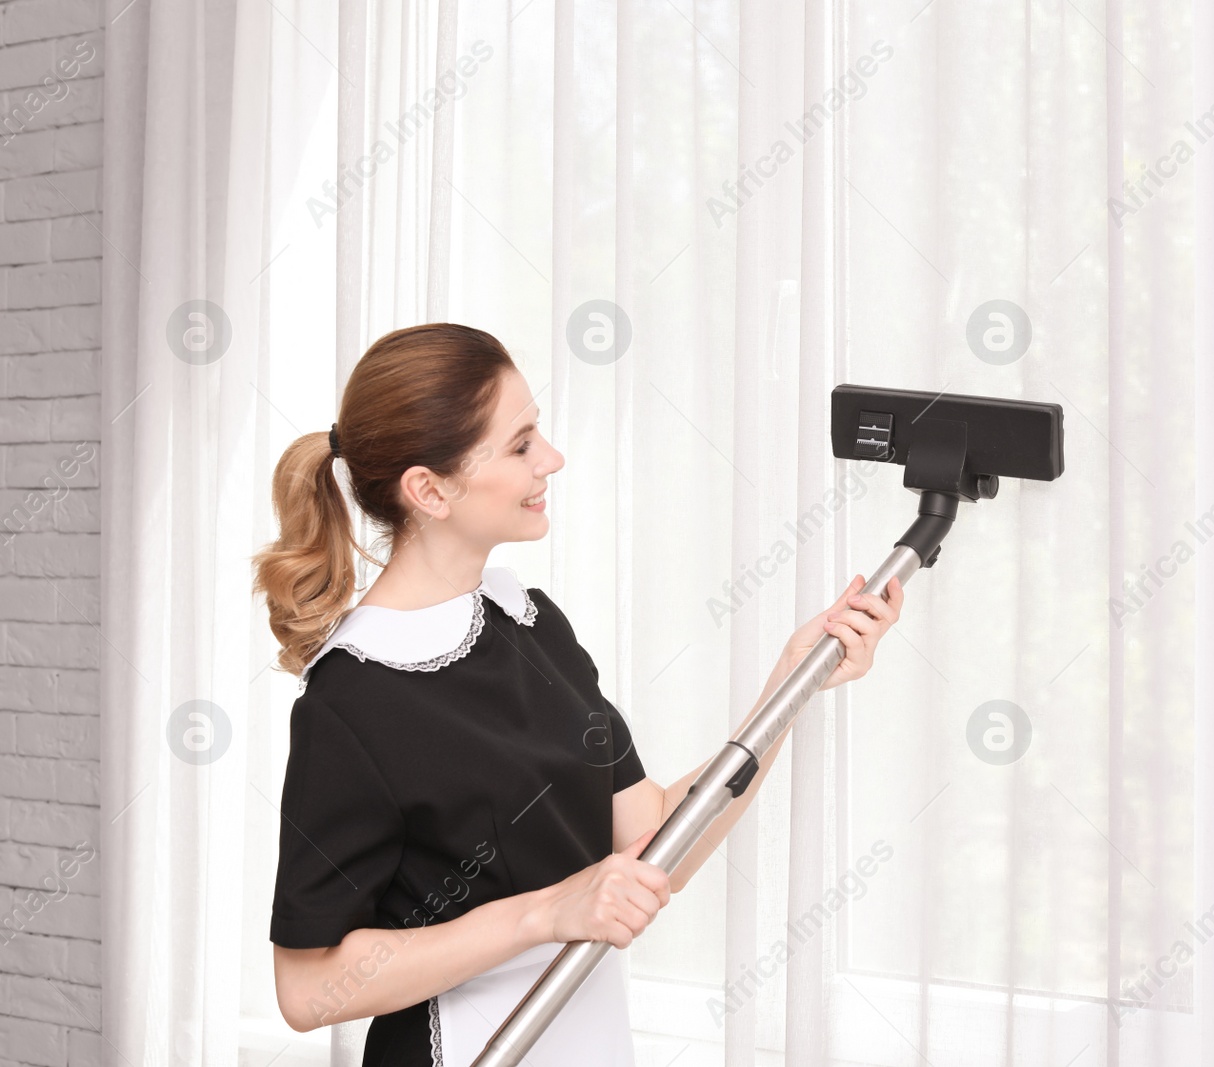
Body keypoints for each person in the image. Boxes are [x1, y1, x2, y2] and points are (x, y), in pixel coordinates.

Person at [251, 322, 905, 1066]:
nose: (552, 459)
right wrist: (542, 913)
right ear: (429, 489)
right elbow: (307, 990)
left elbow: (655, 840)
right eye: (522, 443)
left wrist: (794, 680)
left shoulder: (533, 628)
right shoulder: (354, 696)